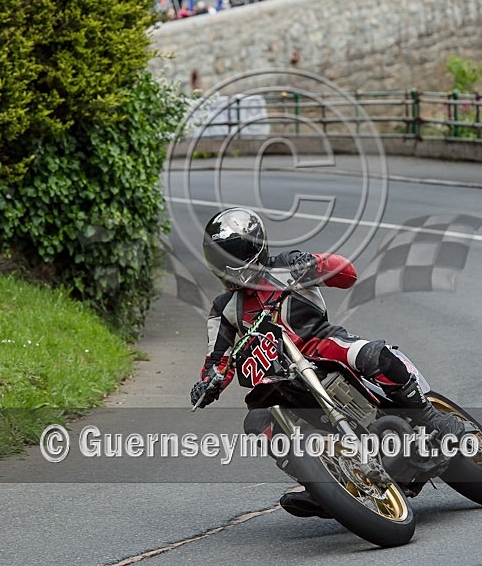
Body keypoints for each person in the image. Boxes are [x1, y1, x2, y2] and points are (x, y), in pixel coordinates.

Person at [190, 208, 465, 518]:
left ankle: (431, 419)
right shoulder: (223, 309)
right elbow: (219, 358)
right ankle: (321, 482)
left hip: (320, 345)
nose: (231, 272)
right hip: (278, 380)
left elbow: (347, 274)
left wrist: (313, 265)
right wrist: (207, 384)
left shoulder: (287, 265)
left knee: (372, 355)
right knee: (256, 421)